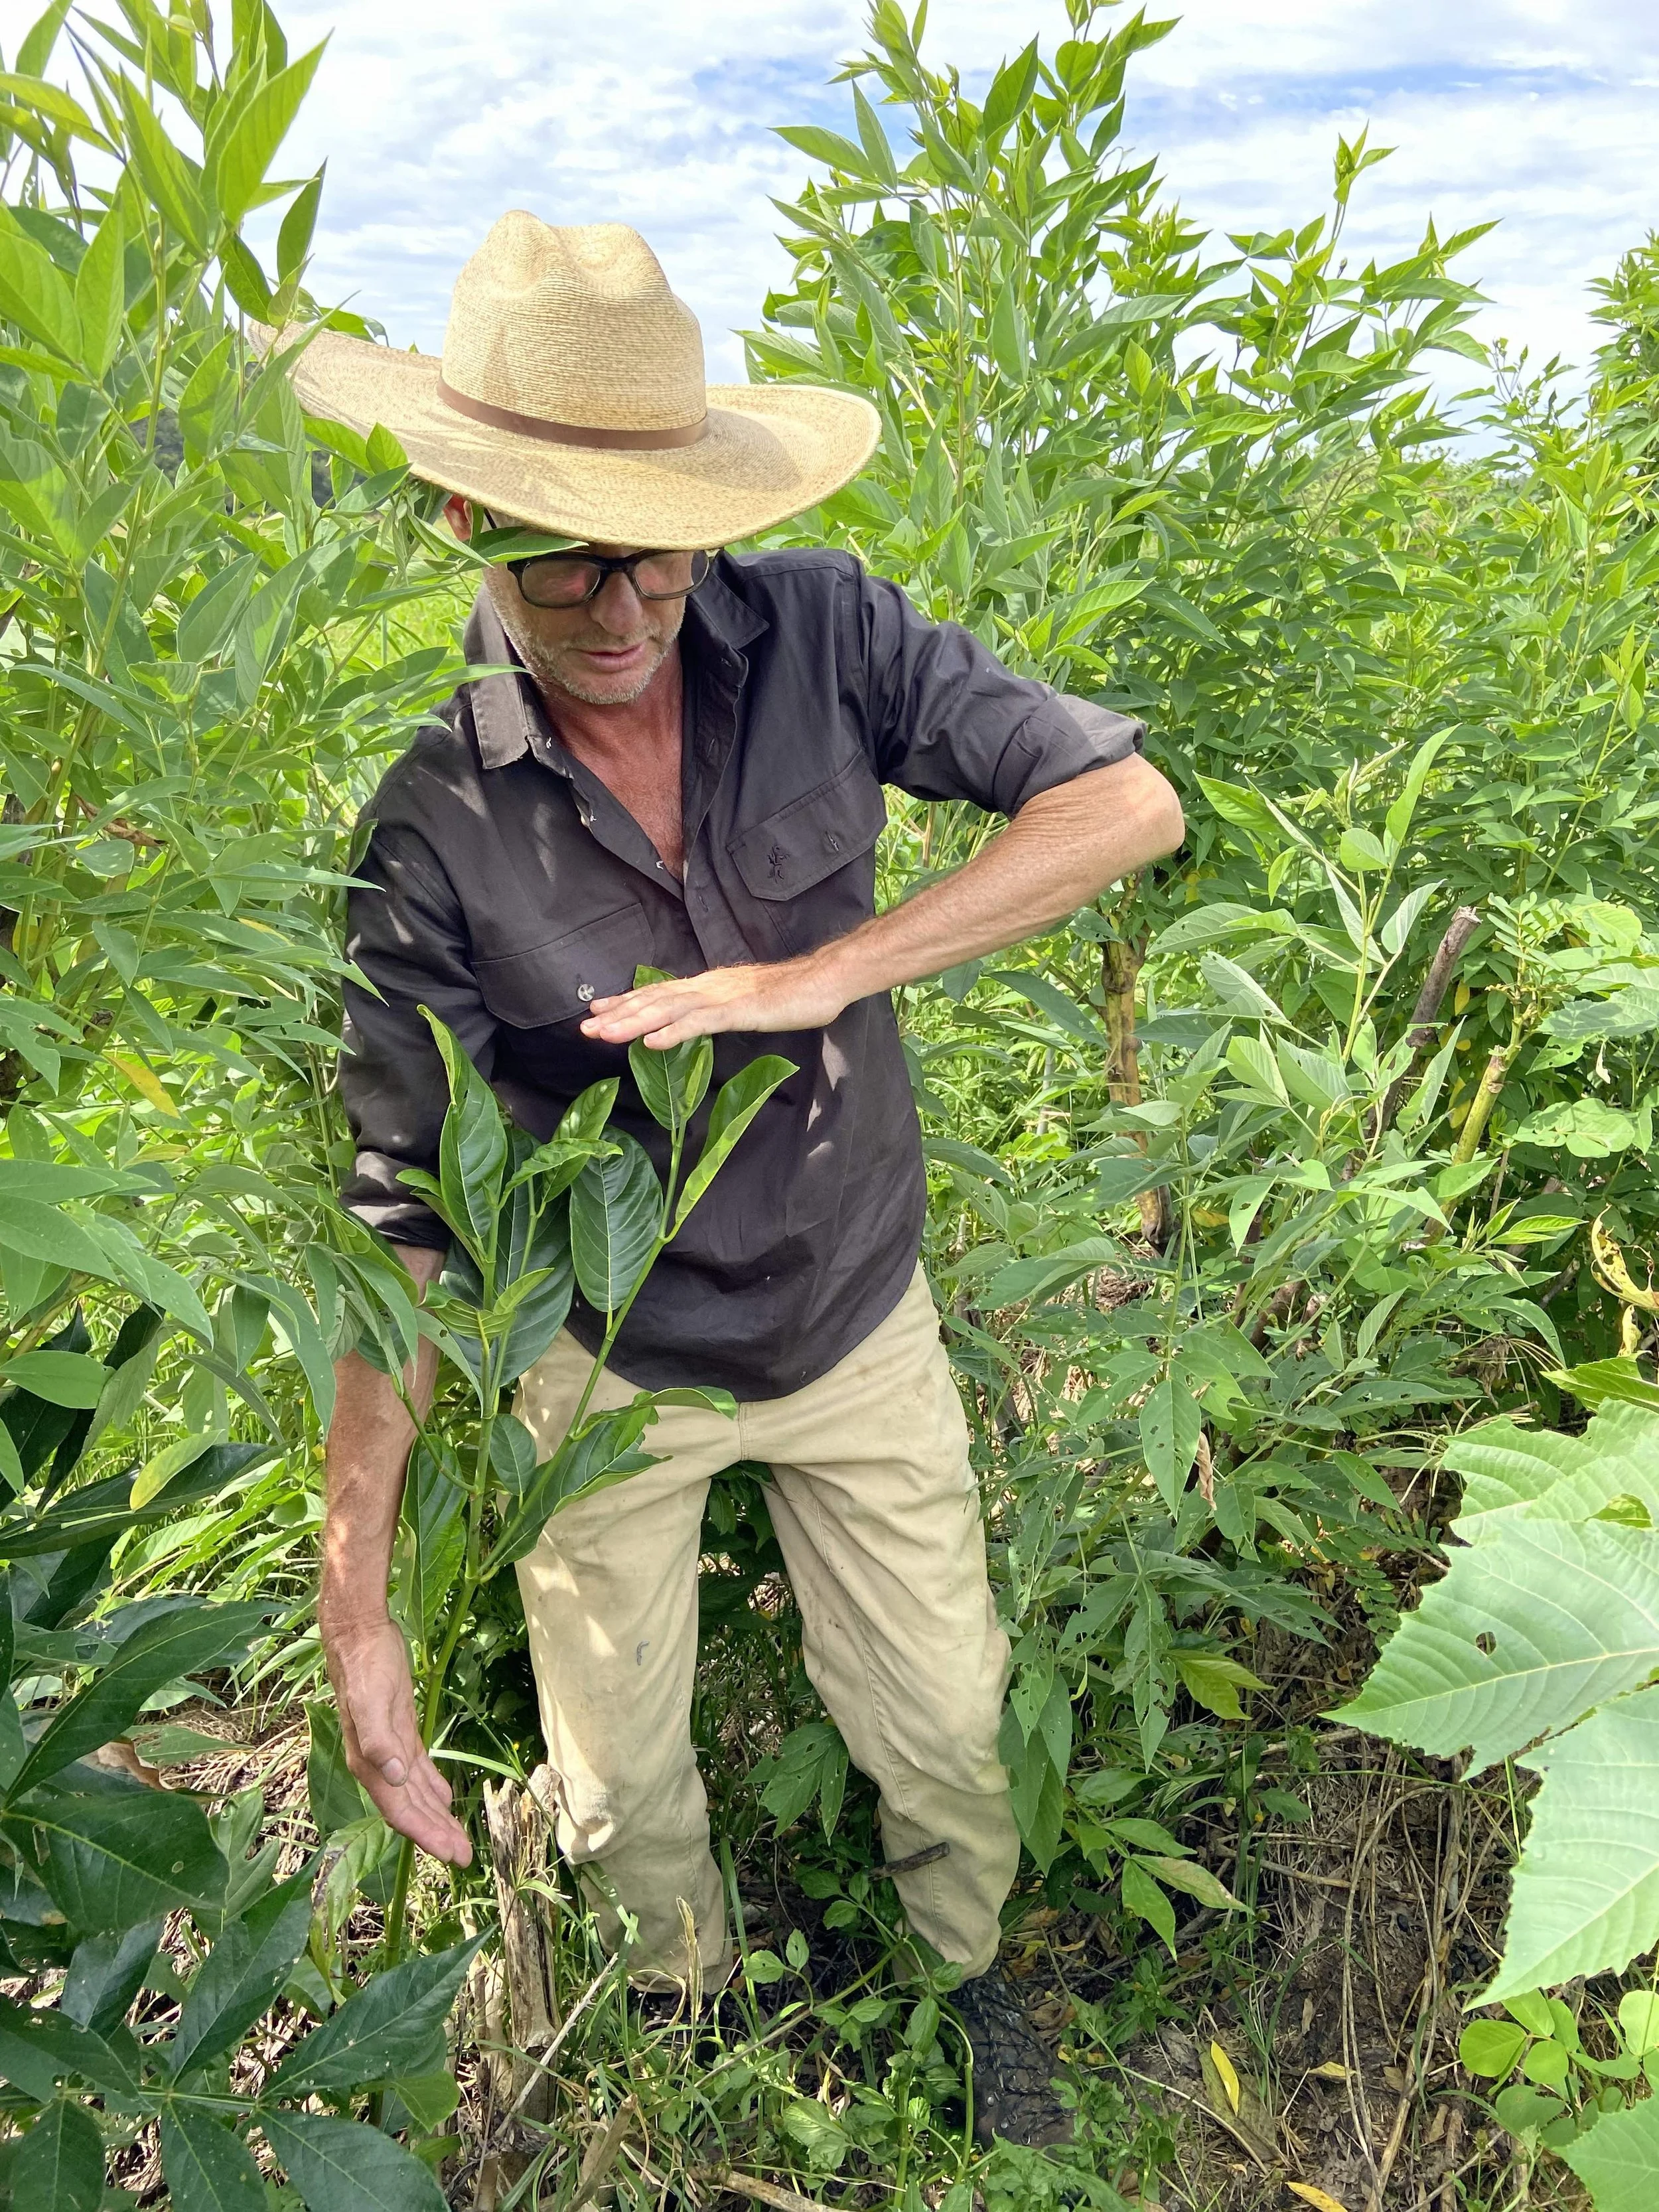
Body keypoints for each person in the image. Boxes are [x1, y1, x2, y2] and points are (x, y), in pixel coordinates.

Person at [303, 214, 1185, 2147]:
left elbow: (1126, 801)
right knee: (620, 1790)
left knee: (949, 1729)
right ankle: (689, 2030)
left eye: (654, 537)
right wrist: (353, 1600)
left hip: (854, 1298)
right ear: (464, 517)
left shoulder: (825, 633)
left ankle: (968, 1982)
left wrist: (820, 972)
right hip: (609, 1361)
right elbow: (398, 1215)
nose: (619, 599)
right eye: (558, 546)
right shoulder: (430, 826)